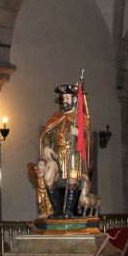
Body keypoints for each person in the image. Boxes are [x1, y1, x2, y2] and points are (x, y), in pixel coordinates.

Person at [38, 82, 93, 218]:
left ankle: (68, 210)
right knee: (48, 176)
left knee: (72, 180)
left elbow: (88, 136)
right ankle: (56, 210)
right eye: (63, 99)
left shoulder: (81, 119)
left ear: (74, 99)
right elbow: (48, 134)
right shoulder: (56, 117)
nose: (64, 101)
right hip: (56, 154)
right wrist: (46, 146)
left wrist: (79, 133)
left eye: (67, 98)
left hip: (73, 154)